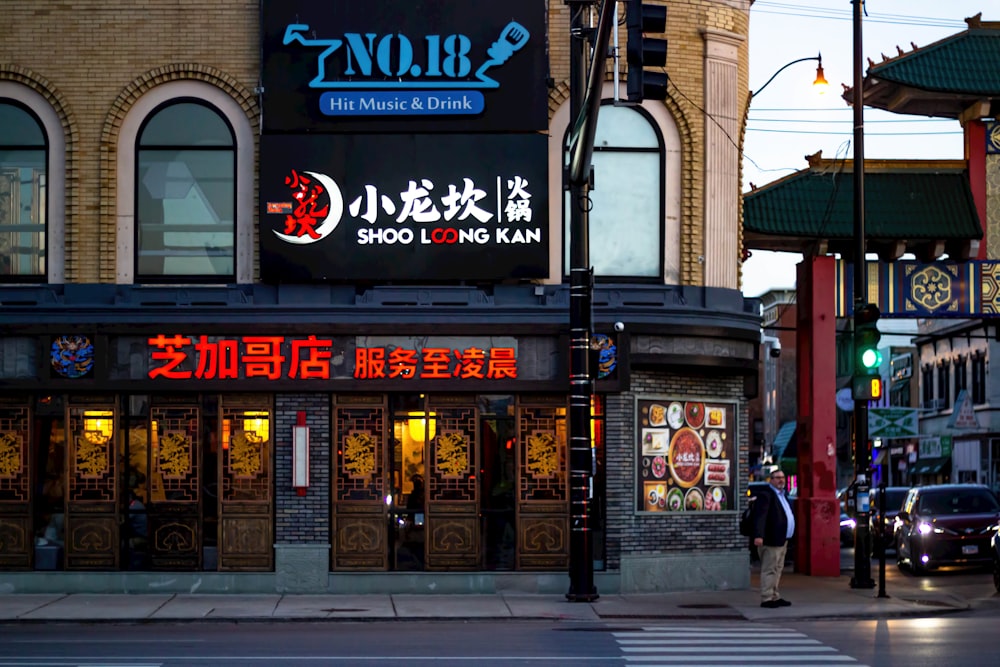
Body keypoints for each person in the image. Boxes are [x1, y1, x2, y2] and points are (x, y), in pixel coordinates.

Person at [751, 468, 795, 608]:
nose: (781, 480)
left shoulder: (783, 495)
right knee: (769, 569)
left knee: (778, 568)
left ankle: (774, 595)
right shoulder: (766, 495)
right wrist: (758, 535)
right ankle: (767, 597)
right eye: (777, 477)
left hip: (783, 539)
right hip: (771, 539)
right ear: (771, 480)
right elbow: (760, 516)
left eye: (782, 477)